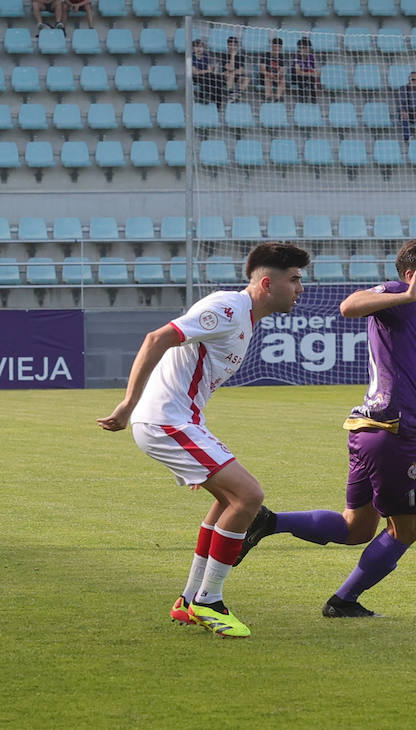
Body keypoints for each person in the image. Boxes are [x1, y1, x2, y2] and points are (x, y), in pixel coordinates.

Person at [233, 239, 416, 618]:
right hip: (391, 435)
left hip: (371, 432)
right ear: (413, 275)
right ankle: (343, 601)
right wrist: (406, 294)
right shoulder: (399, 297)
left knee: (357, 528)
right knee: (408, 530)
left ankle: (269, 521)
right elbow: (349, 306)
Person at [96, 243, 311, 638]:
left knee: (229, 499)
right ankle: (208, 602)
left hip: (182, 420)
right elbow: (156, 338)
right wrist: (128, 404)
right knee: (248, 497)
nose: (301, 288)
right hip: (166, 420)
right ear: (267, 283)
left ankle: (189, 599)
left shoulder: (244, 317)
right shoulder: (229, 309)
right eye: (295, 279)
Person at [190, 39, 224, 107]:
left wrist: (204, 71)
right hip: (195, 78)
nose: (199, 48)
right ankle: (203, 97)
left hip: (206, 76)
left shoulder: (205, 56)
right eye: (196, 46)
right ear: (193, 48)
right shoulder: (191, 57)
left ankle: (217, 102)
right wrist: (205, 71)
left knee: (217, 78)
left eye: (200, 46)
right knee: (206, 77)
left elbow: (210, 70)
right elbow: (195, 72)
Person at [288, 38, 320, 103]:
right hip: (296, 77)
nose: (304, 49)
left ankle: (313, 100)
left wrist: (314, 73)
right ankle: (302, 99)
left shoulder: (311, 57)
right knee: (302, 79)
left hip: (307, 76)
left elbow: (316, 71)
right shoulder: (296, 57)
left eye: (306, 48)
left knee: (311, 80)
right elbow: (298, 72)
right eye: (302, 48)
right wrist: (311, 73)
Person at [220, 35, 248, 102]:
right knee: (231, 74)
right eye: (230, 45)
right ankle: (231, 94)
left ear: (236, 46)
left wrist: (233, 71)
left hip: (236, 76)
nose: (232, 47)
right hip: (226, 76)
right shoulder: (224, 55)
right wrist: (232, 56)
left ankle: (238, 94)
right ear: (227, 45)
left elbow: (241, 71)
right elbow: (230, 68)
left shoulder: (241, 56)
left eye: (234, 45)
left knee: (246, 79)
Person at [258, 37, 287, 102]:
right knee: (267, 77)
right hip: (265, 77)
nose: (277, 48)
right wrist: (273, 76)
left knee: (283, 79)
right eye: (275, 46)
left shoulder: (281, 57)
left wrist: (279, 76)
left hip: (276, 78)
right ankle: (268, 97)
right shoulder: (266, 55)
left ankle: (278, 98)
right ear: (272, 46)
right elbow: (262, 70)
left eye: (279, 47)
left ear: (281, 47)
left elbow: (282, 71)